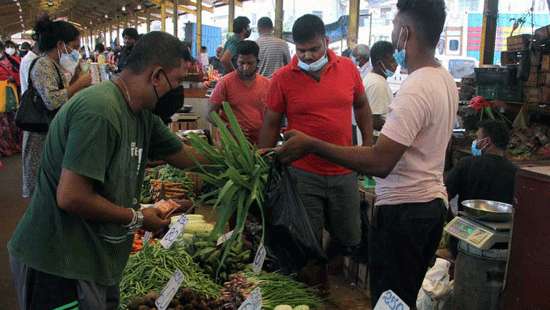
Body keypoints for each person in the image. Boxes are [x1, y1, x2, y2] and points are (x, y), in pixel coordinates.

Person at [275, 0, 457, 307]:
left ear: (405, 34)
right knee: (404, 296)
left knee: (389, 299)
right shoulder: (444, 79)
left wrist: (312, 144)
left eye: (394, 27)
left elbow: (380, 163)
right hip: (430, 206)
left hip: (404, 213)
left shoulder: (414, 89)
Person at [9, 31, 202, 309]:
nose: (179, 91)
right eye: (177, 81)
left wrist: (249, 158)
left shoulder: (141, 113)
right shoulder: (99, 111)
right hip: (58, 262)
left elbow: (183, 155)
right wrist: (136, 218)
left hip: (95, 258)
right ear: (156, 76)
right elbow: (71, 196)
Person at [258, 14, 373, 289]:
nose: (307, 56)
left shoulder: (348, 69)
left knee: (349, 237)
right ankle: (315, 291)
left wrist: (368, 145)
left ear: (326, 41)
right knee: (306, 243)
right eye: (301, 51)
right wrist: (260, 158)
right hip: (302, 174)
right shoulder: (283, 78)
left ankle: (330, 270)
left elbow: (362, 105)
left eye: (313, 49)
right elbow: (271, 123)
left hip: (344, 169)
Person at [21, 16, 92, 199]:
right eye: (74, 47)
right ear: (61, 45)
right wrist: (80, 84)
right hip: (41, 136)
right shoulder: (43, 65)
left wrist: (76, 77)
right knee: (43, 190)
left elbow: (63, 92)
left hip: (50, 132)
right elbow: (52, 100)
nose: (75, 52)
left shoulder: (54, 65)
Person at [445, 120, 517, 254]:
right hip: (501, 245)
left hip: (465, 237)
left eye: (477, 138)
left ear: (486, 142)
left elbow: (444, 196)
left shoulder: (466, 164)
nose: (475, 142)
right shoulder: (515, 172)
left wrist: (452, 220)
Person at [208, 41, 269, 145]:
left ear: (257, 62)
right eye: (241, 63)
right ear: (236, 61)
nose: (245, 67)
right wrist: (229, 128)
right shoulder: (225, 82)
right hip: (230, 145)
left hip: (258, 145)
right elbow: (209, 114)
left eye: (250, 63)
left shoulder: (267, 84)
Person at [363, 41, 397, 133]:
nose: (396, 64)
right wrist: (398, 129)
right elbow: (374, 121)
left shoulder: (373, 78)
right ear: (379, 63)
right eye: (392, 61)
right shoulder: (378, 84)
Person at [0, 41, 22, 157]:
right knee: (3, 124)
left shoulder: (14, 61)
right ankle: (5, 148)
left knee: (13, 121)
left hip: (13, 96)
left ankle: (15, 146)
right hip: (2, 97)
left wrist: (13, 79)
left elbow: (21, 75)